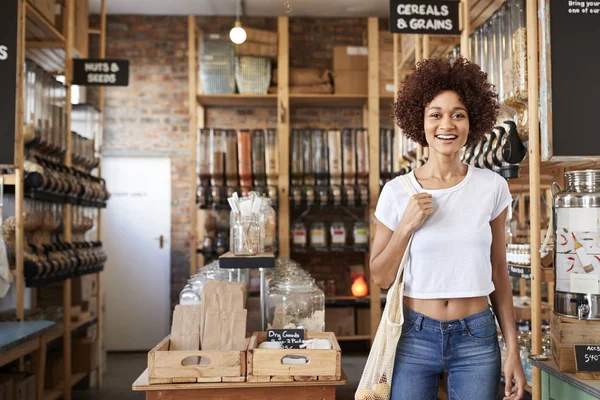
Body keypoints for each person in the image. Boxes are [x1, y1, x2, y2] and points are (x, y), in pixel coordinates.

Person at [370, 57, 526, 400]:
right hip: (413, 334)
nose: (447, 124)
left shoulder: (492, 187)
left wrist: (512, 349)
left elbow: (499, 272)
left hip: (477, 336)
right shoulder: (397, 192)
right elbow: (380, 277)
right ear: (419, 121)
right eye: (435, 114)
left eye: (458, 114)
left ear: (473, 122)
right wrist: (405, 227)